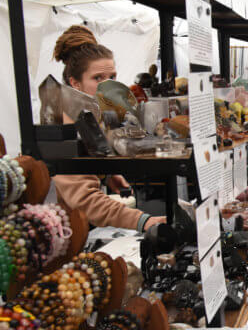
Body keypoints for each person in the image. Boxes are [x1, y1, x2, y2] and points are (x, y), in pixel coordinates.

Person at [52, 25, 166, 232]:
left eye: (112, 77)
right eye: (98, 78)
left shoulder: (87, 113)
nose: (108, 85)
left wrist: (105, 174)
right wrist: (144, 221)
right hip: (59, 234)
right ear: (75, 83)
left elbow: (87, 158)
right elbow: (84, 201)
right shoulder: (60, 125)